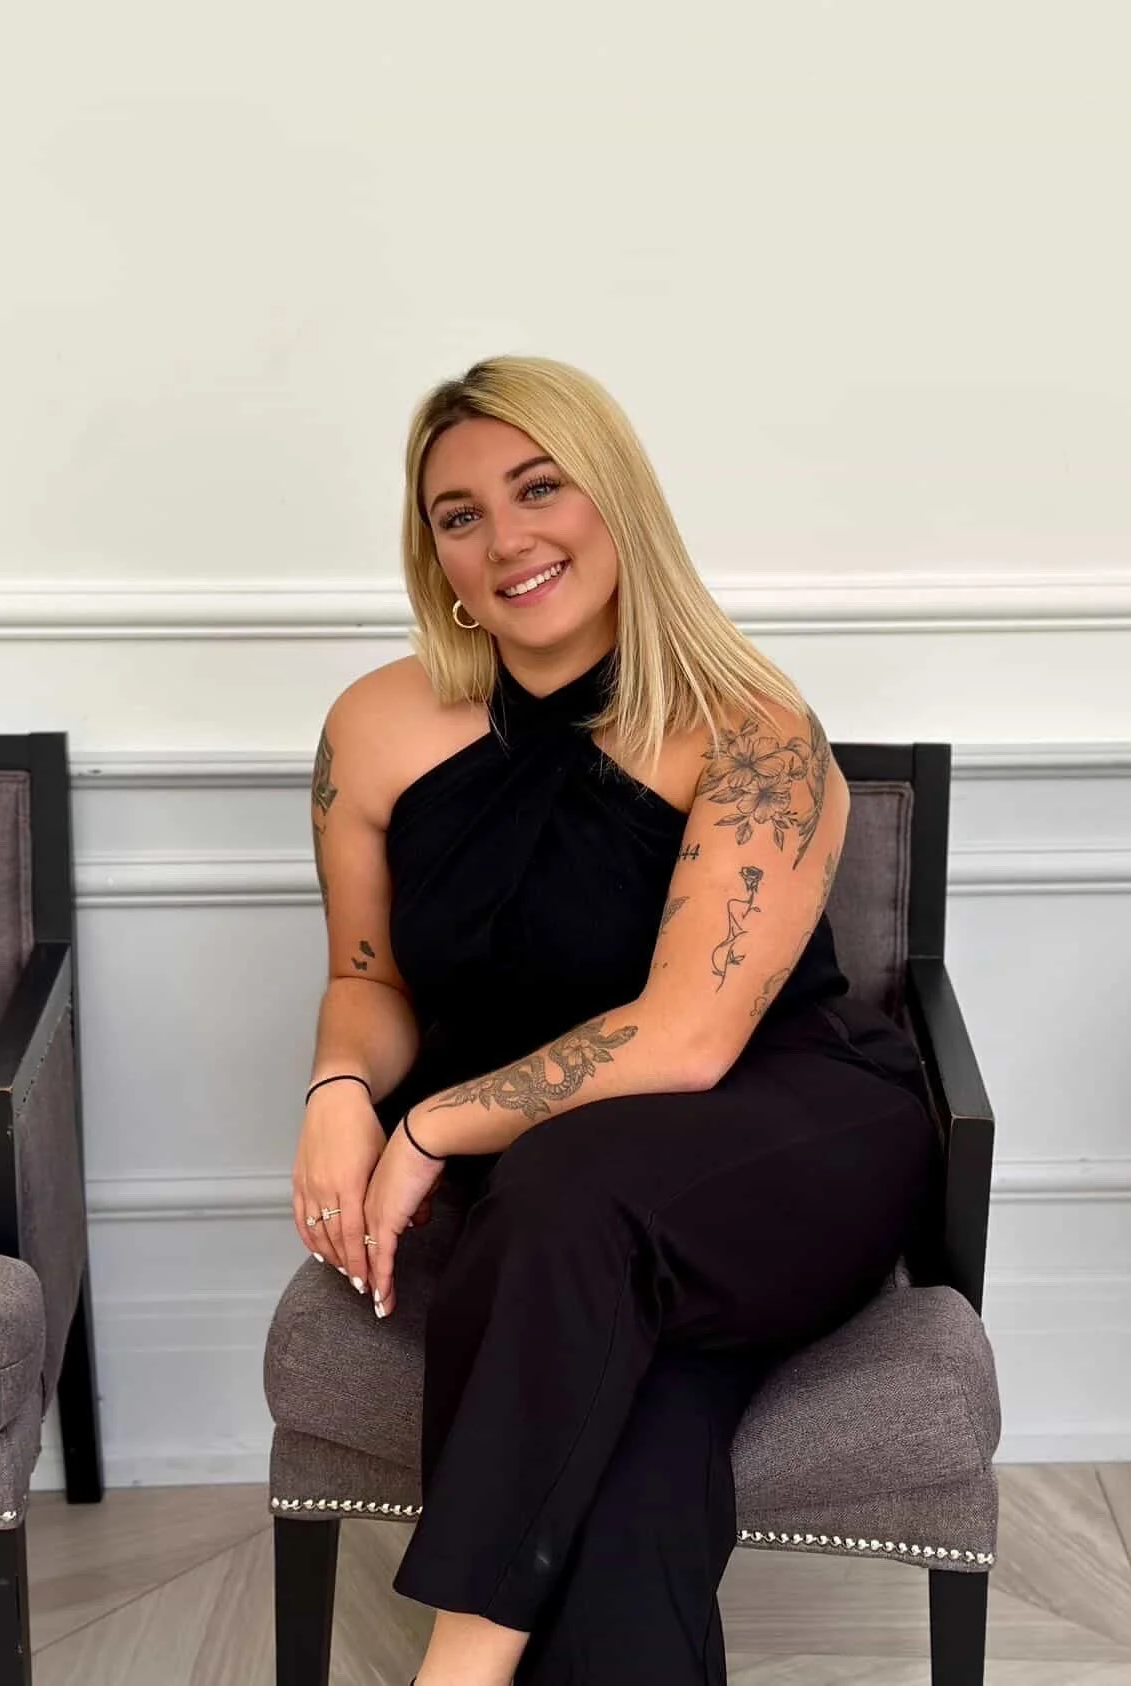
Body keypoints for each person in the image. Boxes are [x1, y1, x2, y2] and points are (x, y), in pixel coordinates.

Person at [293, 355, 940, 1686]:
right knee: (635, 1471)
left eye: (541, 487)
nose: (507, 536)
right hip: (552, 1209)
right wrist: (341, 1092)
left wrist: (429, 1131)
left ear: (617, 498)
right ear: (435, 553)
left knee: (568, 1181)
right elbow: (370, 978)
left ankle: (456, 1667)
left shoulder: (752, 726)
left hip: (786, 1140)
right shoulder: (374, 728)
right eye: (458, 513)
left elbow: (686, 1040)